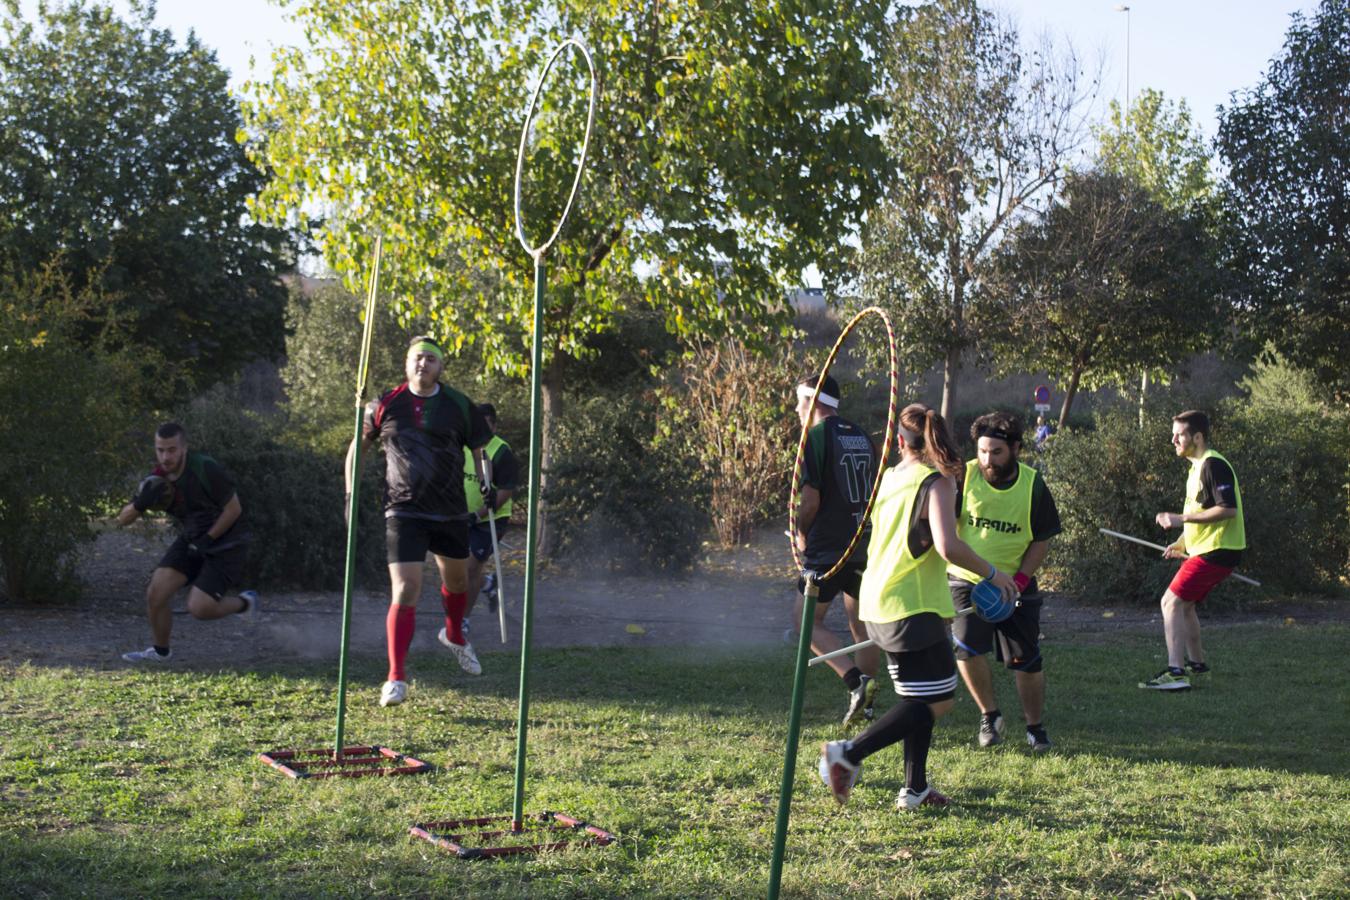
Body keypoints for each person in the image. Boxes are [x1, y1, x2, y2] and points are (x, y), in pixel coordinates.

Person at [819, 404, 1018, 809]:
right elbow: (948, 546)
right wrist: (993, 574)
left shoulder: (891, 477)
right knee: (937, 701)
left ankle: (915, 789)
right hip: (910, 606)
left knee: (921, 695)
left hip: (879, 601)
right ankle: (847, 755)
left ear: (898, 443)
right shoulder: (937, 482)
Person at [348, 335, 492, 707]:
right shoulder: (385, 403)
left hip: (449, 510)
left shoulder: (459, 405)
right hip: (403, 509)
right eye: (416, 358)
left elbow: (481, 452)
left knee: (457, 582)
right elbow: (357, 448)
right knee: (405, 589)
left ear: (440, 367)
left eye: (430, 359)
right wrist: (350, 491)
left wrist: (488, 484)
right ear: (406, 363)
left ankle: (454, 635)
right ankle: (396, 677)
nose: (422, 364)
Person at [949, 412, 1061, 752]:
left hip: (1016, 584)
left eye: (995, 452)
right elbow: (944, 527)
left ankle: (1035, 727)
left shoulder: (1033, 484)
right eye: (982, 451)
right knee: (966, 649)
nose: (987, 460)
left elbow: (1041, 539)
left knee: (1026, 659)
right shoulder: (963, 476)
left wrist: (1021, 579)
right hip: (967, 579)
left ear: (1015, 449)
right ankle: (989, 715)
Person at [117, 423, 254, 662]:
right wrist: (140, 504)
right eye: (160, 450)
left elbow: (234, 509)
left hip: (228, 540)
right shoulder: (157, 478)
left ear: (184, 448)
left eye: (171, 450)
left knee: (200, 608)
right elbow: (122, 519)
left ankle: (245, 603)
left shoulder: (204, 467)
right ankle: (161, 652)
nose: (165, 457)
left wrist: (207, 539)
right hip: (193, 537)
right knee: (155, 593)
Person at [790, 373, 881, 728]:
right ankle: (868, 704)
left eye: (798, 402)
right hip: (862, 543)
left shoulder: (815, 437)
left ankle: (855, 682)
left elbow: (809, 500)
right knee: (863, 626)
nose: (796, 410)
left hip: (827, 548)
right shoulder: (860, 434)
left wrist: (801, 533)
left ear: (811, 401)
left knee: (804, 624)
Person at [1140, 410, 1246, 691]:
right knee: (1185, 605)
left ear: (1197, 437)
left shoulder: (1212, 464)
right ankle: (1197, 666)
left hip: (1218, 551)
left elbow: (1227, 509)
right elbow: (1201, 509)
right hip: (1211, 550)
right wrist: (1183, 542)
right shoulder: (1196, 467)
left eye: (1180, 434)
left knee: (1170, 602)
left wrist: (1179, 519)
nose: (1173, 439)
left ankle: (1176, 672)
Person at [463, 403, 518, 624]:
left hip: (491, 520)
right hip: (462, 516)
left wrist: (478, 514)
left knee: (469, 567)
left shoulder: (502, 451)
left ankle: (462, 622)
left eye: (486, 427)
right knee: (459, 571)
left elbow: (505, 491)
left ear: (494, 427)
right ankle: (487, 584)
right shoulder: (464, 446)